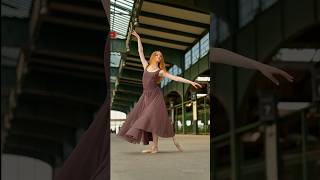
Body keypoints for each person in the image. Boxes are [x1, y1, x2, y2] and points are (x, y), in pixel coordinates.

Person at [116, 30, 202, 154]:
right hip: (146, 96)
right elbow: (140, 51)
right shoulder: (145, 65)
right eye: (157, 55)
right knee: (152, 121)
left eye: (160, 56)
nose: (159, 57)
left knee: (147, 118)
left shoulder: (160, 71)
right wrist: (138, 37)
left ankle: (166, 143)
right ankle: (155, 147)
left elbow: (175, 78)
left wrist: (191, 82)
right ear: (153, 56)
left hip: (156, 96)